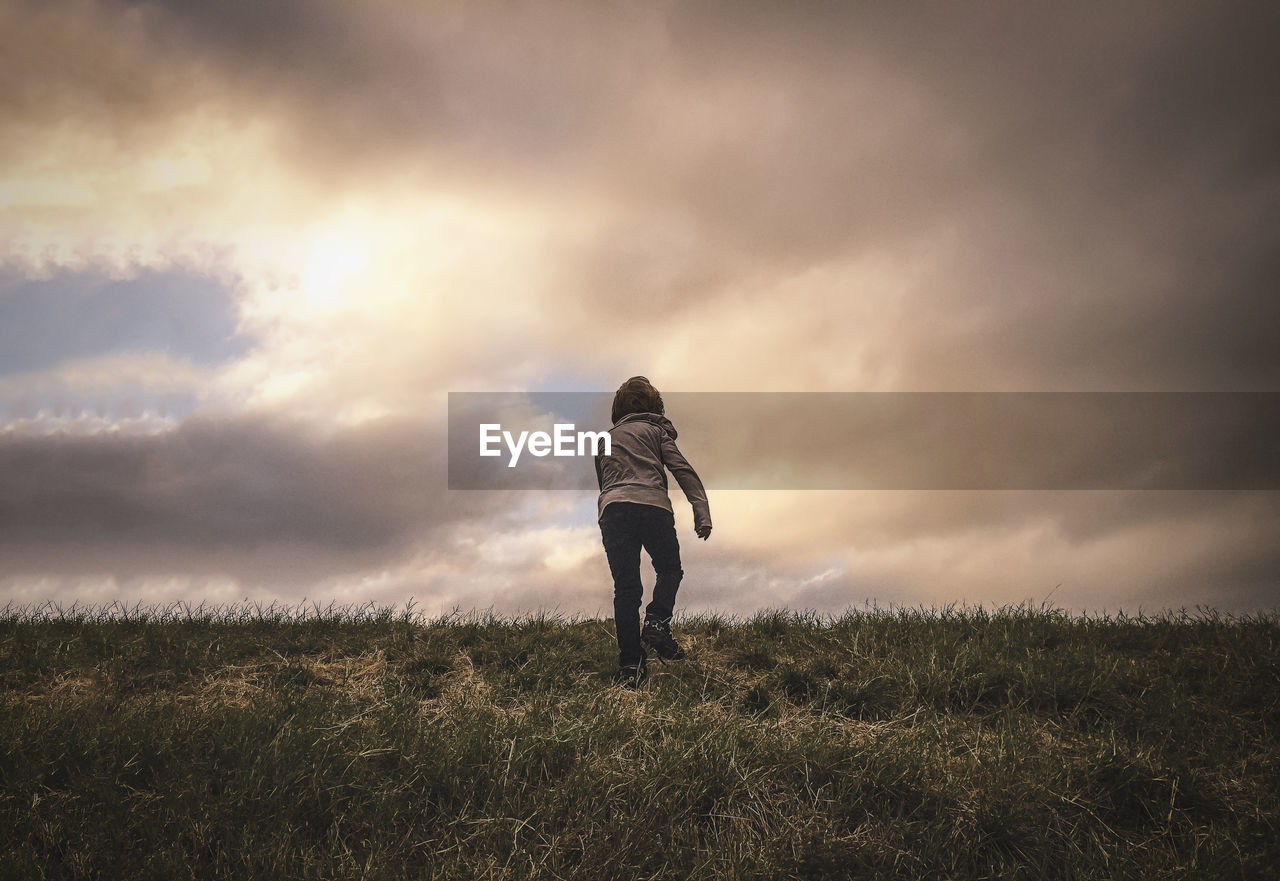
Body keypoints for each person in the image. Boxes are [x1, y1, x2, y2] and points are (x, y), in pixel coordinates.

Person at [595, 376, 712, 688]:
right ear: (655, 406)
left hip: (615, 510)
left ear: (617, 409)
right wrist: (701, 511)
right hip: (653, 507)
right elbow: (682, 470)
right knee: (669, 569)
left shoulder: (605, 439)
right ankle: (658, 622)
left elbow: (603, 482)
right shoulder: (656, 432)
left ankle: (631, 667)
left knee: (626, 589)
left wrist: (607, 514)